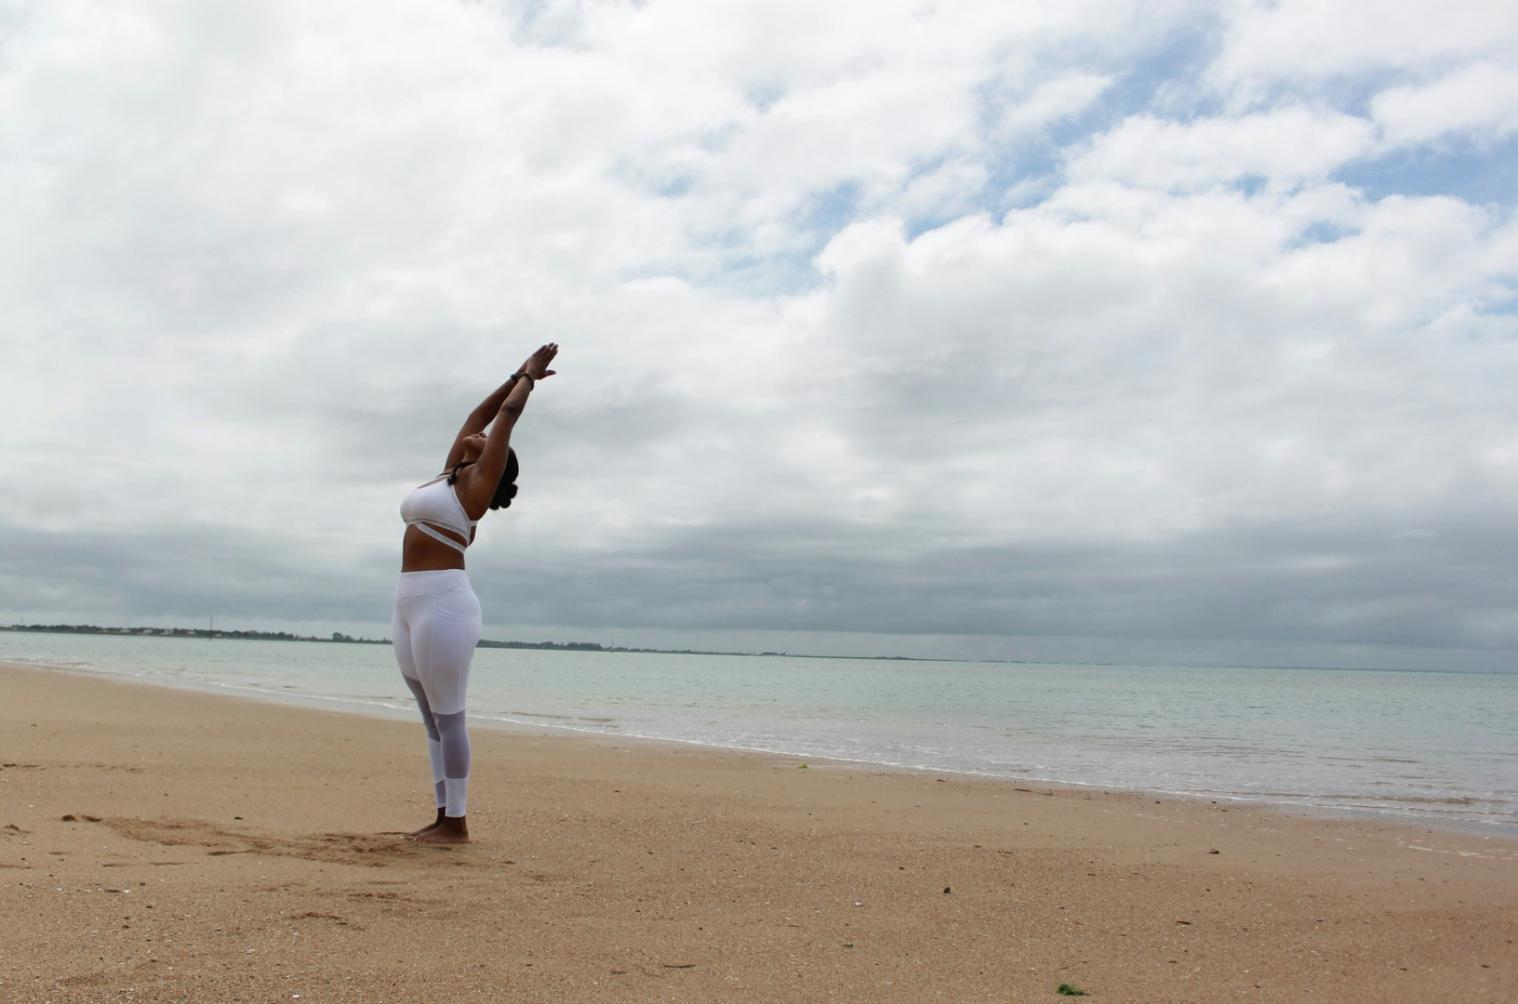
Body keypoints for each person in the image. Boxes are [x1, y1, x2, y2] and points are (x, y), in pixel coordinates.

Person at [392, 342, 559, 844]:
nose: (478, 435)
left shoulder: (474, 490)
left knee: (450, 714)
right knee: (429, 721)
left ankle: (457, 824)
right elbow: (479, 413)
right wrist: (511, 373)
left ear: (493, 461)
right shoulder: (449, 477)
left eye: (487, 441)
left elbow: (505, 417)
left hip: (444, 604)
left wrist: (528, 381)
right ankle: (442, 814)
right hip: (406, 602)